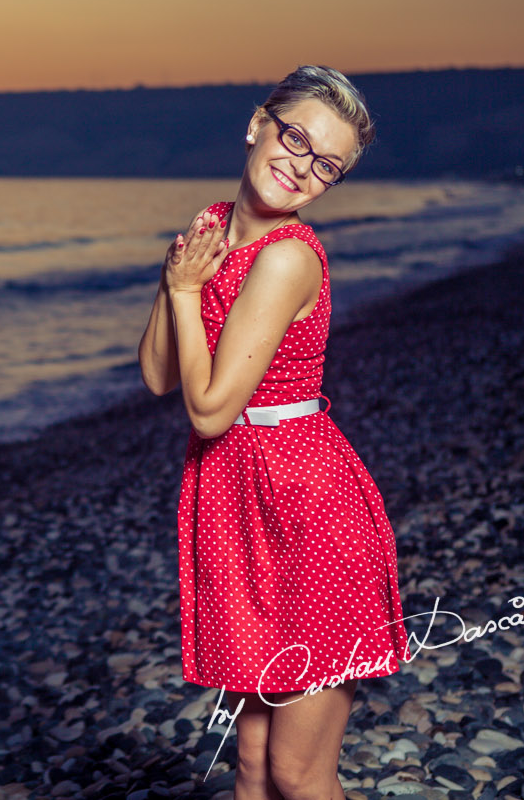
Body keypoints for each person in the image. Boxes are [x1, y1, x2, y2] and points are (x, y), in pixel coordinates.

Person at [136, 65, 409, 800]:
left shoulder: (287, 258)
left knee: (297, 773)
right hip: (241, 507)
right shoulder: (210, 227)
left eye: (328, 165)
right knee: (252, 770)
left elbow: (209, 410)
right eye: (296, 137)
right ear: (259, 122)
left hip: (307, 509)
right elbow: (159, 374)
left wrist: (189, 291)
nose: (302, 167)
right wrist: (176, 285)